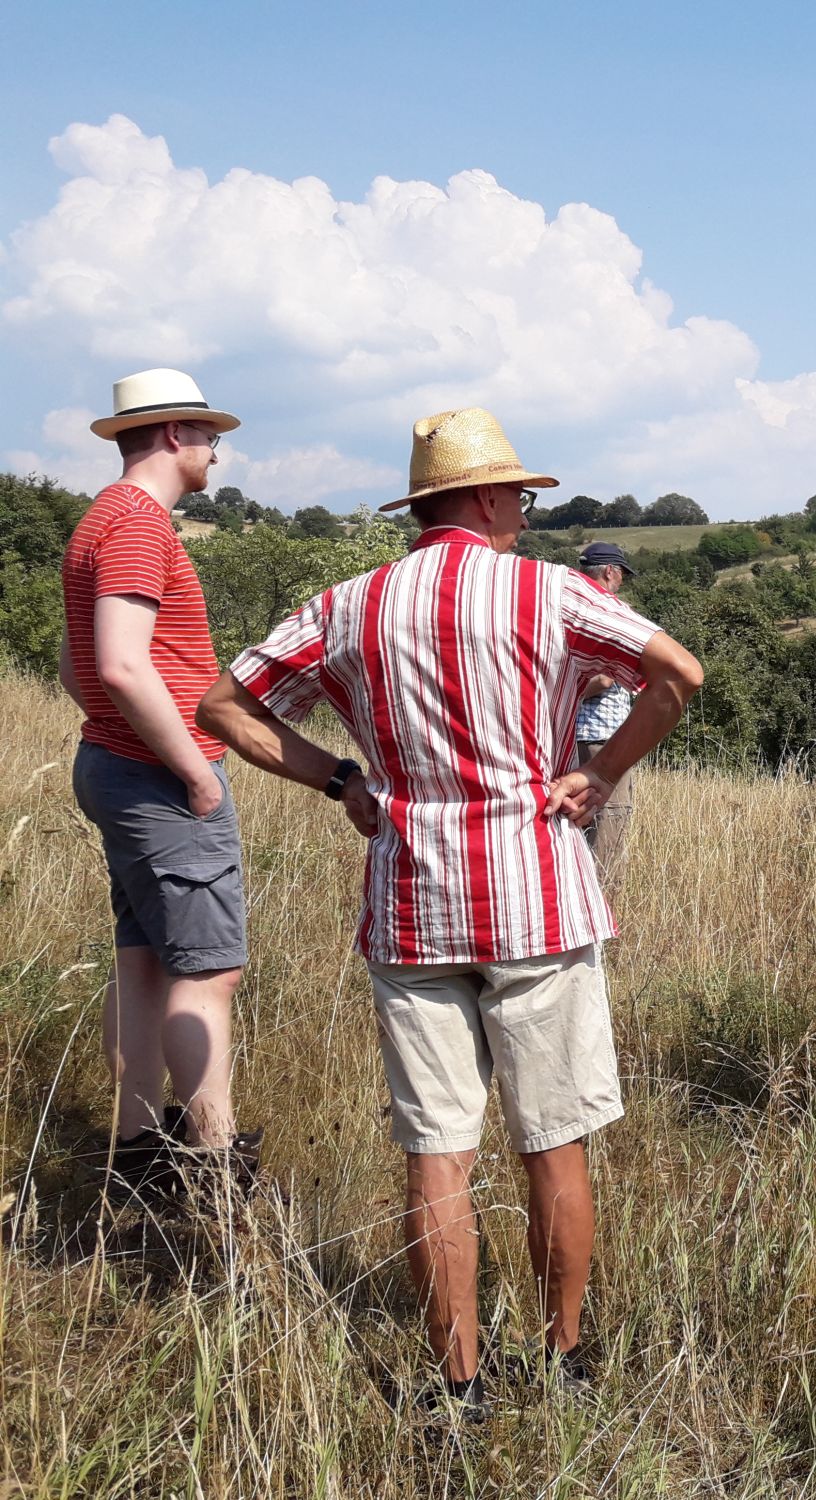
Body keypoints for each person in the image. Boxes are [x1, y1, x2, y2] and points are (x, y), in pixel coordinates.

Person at [197, 408, 703, 1418]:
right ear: (480, 497)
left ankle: (455, 1382)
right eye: (516, 493)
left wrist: (339, 776)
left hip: (412, 900)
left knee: (438, 1154)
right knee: (552, 1140)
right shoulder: (547, 591)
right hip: (537, 898)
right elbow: (677, 673)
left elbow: (223, 706)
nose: (523, 508)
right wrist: (597, 774)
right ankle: (559, 1359)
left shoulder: (348, 604)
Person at [60, 368, 258, 1200]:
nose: (216, 450)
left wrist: (121, 735)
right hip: (159, 778)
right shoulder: (141, 526)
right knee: (207, 971)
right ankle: (213, 1169)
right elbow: (116, 664)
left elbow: (77, 670)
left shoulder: (99, 521)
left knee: (144, 962)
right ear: (175, 435)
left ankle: (139, 1150)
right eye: (209, 435)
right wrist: (192, 771)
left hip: (115, 765)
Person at [572, 539, 638, 883]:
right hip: (602, 740)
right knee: (607, 831)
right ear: (610, 571)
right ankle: (601, 924)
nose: (623, 581)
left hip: (568, 739)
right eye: (622, 574)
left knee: (576, 832)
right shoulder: (606, 613)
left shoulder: (568, 609)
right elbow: (603, 678)